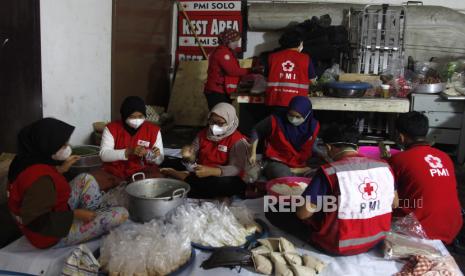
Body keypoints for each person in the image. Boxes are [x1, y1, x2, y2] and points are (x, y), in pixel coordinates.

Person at [266, 124, 397, 255]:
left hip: (338, 245)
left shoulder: (330, 171)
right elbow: (394, 203)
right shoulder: (384, 167)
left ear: (328, 147)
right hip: (375, 240)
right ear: (356, 146)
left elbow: (303, 214)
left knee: (272, 208)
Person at [7, 118, 128, 249]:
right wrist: (75, 214)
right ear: (47, 146)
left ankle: (93, 215)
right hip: (48, 234)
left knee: (85, 179)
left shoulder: (24, 160)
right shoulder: (40, 181)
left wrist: (60, 169)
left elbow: (35, 189)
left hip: (52, 210)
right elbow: (36, 221)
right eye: (63, 145)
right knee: (121, 214)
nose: (68, 147)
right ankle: (92, 219)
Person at [389, 111, 463, 244]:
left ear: (401, 137)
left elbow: (392, 198)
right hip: (452, 227)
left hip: (420, 231)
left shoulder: (398, 160)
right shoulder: (444, 157)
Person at [161, 103, 248, 199]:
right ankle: (190, 181)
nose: (215, 126)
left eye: (220, 123)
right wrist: (189, 155)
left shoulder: (237, 140)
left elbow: (236, 168)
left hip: (221, 176)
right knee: (166, 160)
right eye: (212, 121)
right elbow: (192, 156)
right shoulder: (203, 134)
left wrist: (213, 171)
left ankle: (183, 177)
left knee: (226, 184)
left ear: (230, 121)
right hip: (200, 171)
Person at [99, 96, 164, 188]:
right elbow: (104, 155)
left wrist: (151, 155)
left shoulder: (153, 130)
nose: (136, 120)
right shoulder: (111, 128)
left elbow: (159, 160)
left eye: (140, 116)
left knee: (153, 184)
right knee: (93, 181)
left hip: (143, 171)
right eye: (132, 116)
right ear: (124, 115)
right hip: (114, 171)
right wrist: (128, 152)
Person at [249, 96, 320, 180]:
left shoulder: (313, 127)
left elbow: (311, 147)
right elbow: (256, 130)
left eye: (298, 117)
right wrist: (253, 153)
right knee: (284, 177)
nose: (293, 119)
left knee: (320, 174)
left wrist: (304, 168)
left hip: (303, 163)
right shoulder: (275, 120)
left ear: (307, 115)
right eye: (290, 115)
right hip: (278, 162)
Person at [265, 30, 316, 115]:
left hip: (275, 101)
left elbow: (266, 77)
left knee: (277, 126)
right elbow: (313, 80)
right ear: (300, 43)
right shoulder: (305, 58)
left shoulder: (272, 57)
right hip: (297, 103)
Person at [204, 28, 250, 110]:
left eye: (237, 41)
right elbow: (232, 71)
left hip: (219, 90)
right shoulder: (222, 52)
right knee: (219, 117)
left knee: (221, 117)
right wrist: (250, 70)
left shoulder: (225, 51)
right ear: (227, 41)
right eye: (234, 41)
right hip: (217, 91)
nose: (237, 44)